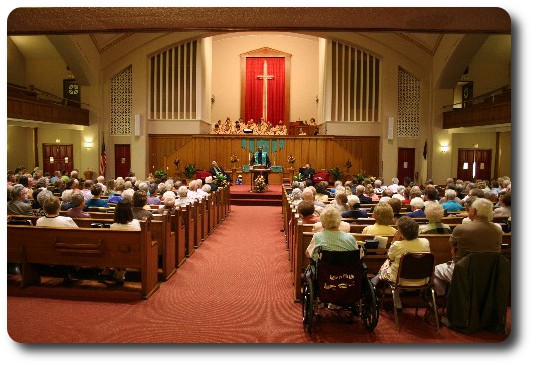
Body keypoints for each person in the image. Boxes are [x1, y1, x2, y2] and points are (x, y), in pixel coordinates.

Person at [433, 198, 502, 296]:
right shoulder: (498, 230)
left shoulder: (461, 228)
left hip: (463, 273)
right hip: (489, 275)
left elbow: (452, 244)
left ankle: (443, 298)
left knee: (435, 270)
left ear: (474, 211)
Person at [371, 216, 430, 309]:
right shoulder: (425, 242)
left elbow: (390, 258)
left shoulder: (397, 245)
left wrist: (394, 240)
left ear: (401, 233)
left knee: (388, 263)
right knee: (397, 266)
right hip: (423, 279)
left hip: (399, 280)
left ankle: (377, 279)